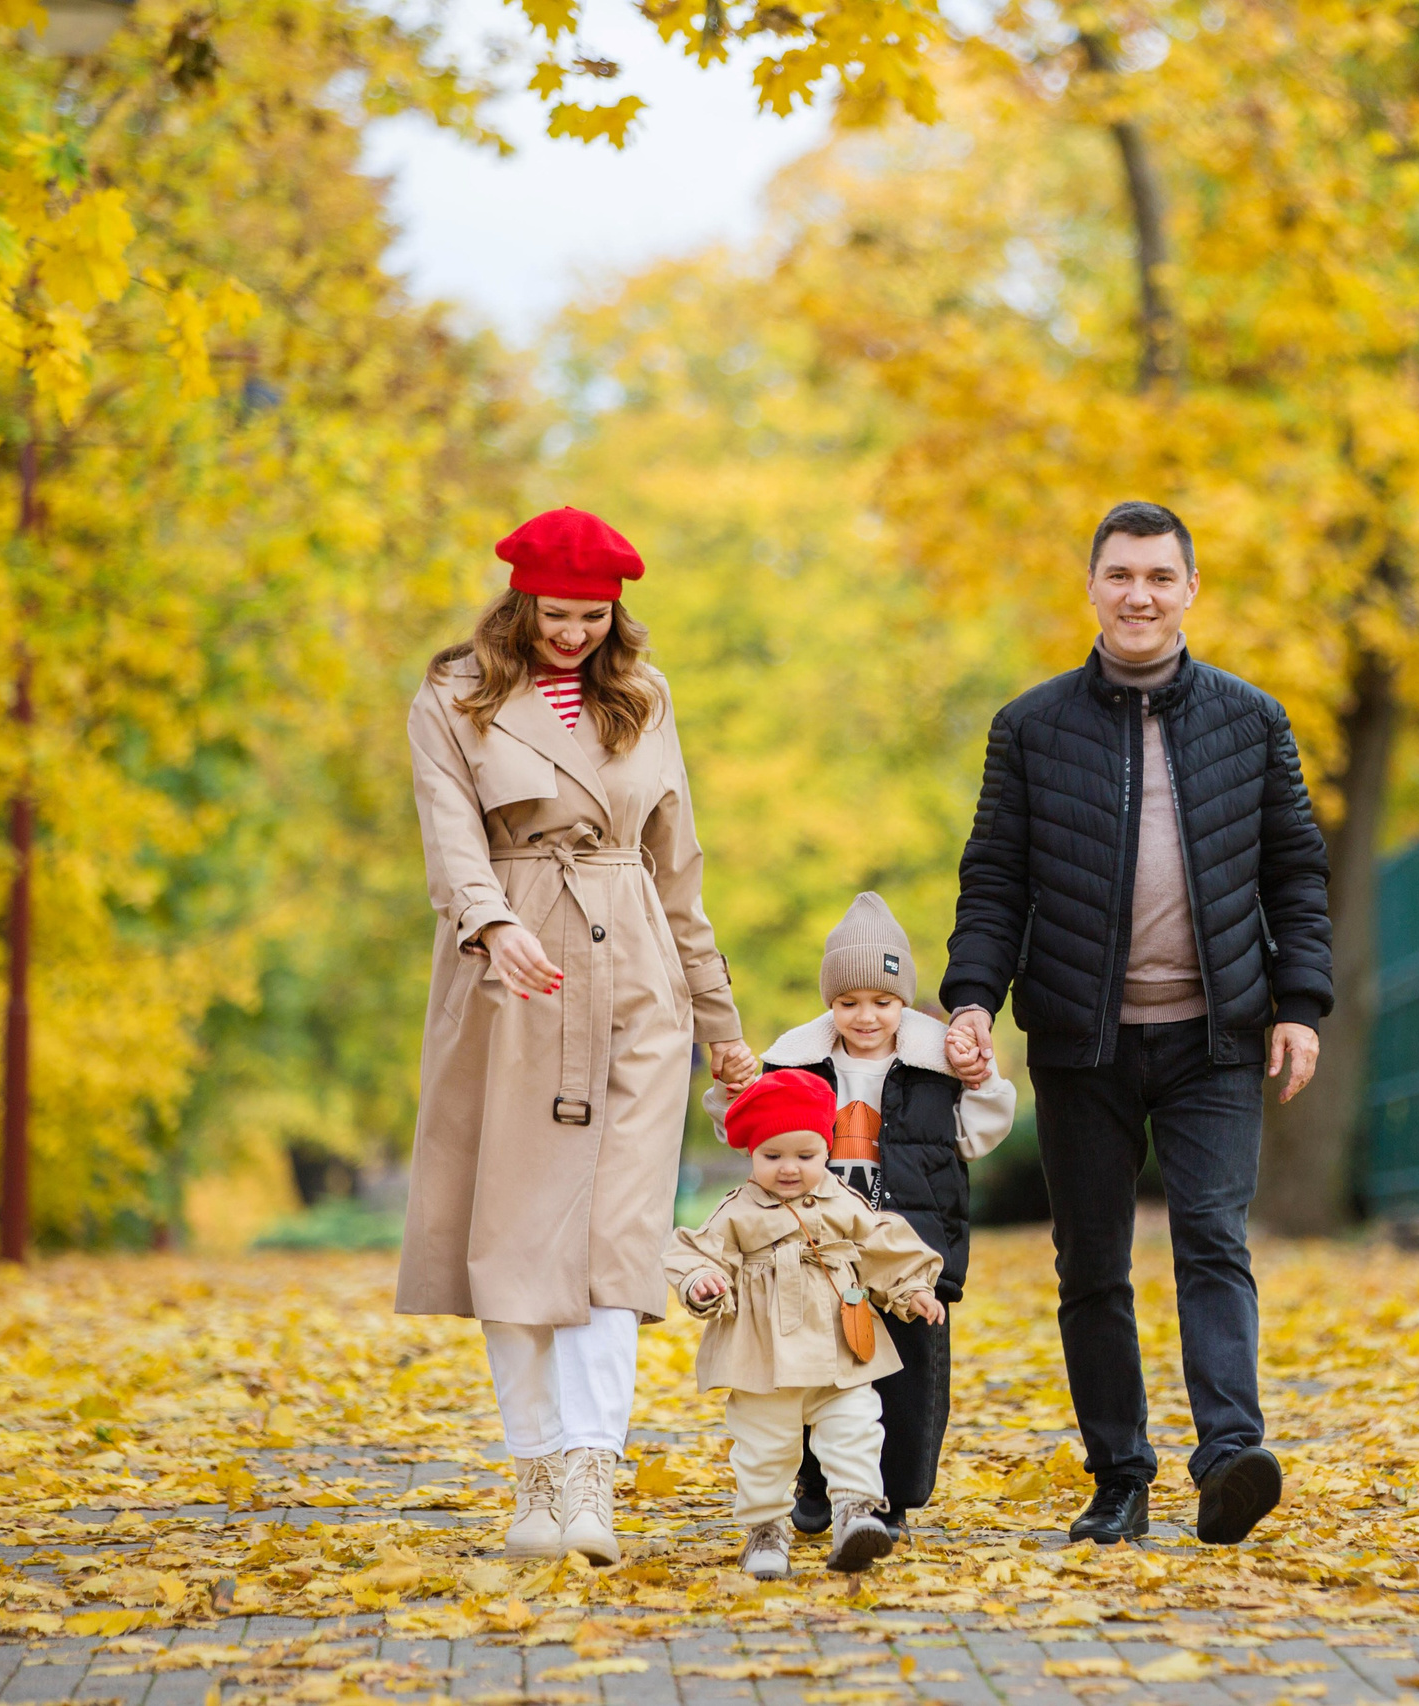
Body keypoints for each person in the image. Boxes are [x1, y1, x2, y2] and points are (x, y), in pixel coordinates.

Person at [940, 500, 1333, 1547]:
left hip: (1216, 1032)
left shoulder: (1251, 719)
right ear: (1093, 586)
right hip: (1083, 1037)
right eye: (1121, 575)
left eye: (1160, 576)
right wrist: (971, 997)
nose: (1140, 594)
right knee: (1092, 1265)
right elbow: (995, 880)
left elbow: (1294, 870)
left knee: (1211, 1234)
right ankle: (1119, 1475)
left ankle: (1228, 1455)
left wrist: (1299, 1005)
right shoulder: (1030, 727)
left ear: (1190, 589)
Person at [394, 506, 759, 1567]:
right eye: (556, 614)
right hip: (512, 978)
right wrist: (491, 921)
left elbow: (676, 864)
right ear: (519, 601)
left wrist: (721, 1021)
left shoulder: (644, 696)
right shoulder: (454, 694)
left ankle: (592, 1480)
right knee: (513, 1243)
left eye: (594, 617)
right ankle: (536, 1481)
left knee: (614, 1241)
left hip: (637, 976)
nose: (573, 634)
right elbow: (447, 830)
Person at [704, 893, 1016, 1540]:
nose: (865, 1016)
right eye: (848, 1003)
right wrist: (732, 1088)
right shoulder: (801, 1066)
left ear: (903, 1000)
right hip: (816, 1247)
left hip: (911, 1244)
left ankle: (889, 1499)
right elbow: (750, 1128)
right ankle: (817, 1487)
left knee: (905, 1379)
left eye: (882, 1000)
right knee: (821, 1368)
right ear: (831, 1005)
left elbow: (979, 1135)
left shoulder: (936, 1069)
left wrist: (982, 1082)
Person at [667, 1069, 947, 1579]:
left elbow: (883, 1246)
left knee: (855, 1426)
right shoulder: (737, 1211)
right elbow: (696, 1251)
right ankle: (766, 1531)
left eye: (806, 1155)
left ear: (827, 1151)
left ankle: (855, 1512)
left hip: (840, 1348)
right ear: (751, 1155)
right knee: (764, 1446)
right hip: (763, 1355)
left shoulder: (843, 1202)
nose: (790, 1169)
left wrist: (914, 1289)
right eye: (772, 1156)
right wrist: (703, 1281)